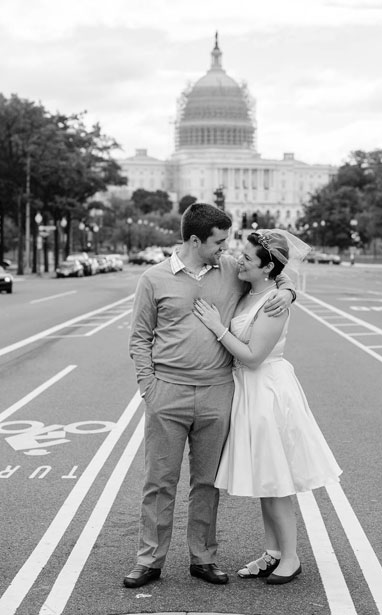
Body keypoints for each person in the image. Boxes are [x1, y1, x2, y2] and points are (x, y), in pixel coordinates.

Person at [124, 203, 296, 589]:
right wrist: (148, 388)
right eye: (219, 242)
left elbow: (272, 270)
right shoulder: (153, 279)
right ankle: (149, 560)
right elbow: (139, 337)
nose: (227, 248)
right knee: (159, 481)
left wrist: (290, 291)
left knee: (206, 483)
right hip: (167, 391)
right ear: (195, 240)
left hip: (219, 391)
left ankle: (202, 558)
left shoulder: (231, 269)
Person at [192, 229, 342, 585]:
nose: (240, 260)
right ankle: (273, 551)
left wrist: (216, 327)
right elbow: (281, 276)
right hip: (248, 390)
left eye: (248, 258)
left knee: (276, 480)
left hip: (267, 389)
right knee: (265, 477)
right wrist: (290, 288)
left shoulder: (273, 301)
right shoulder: (251, 289)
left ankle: (291, 556)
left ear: (266, 268)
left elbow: (254, 356)